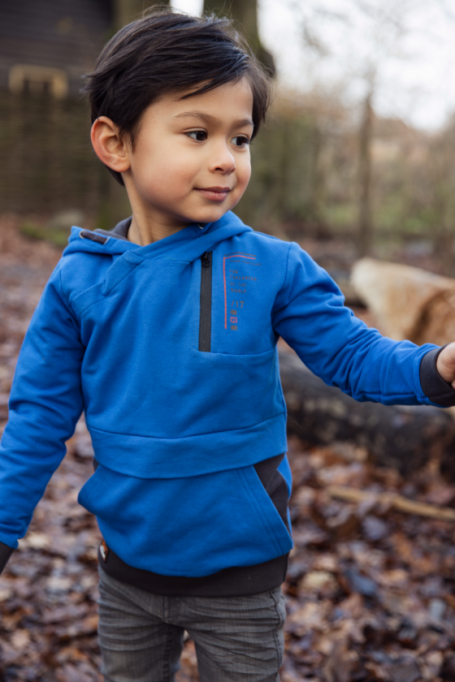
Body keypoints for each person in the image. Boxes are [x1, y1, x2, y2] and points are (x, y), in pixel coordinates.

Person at [1, 7, 455, 682]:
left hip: (239, 574)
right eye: (196, 132)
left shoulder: (274, 265)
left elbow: (350, 356)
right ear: (115, 143)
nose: (224, 159)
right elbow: (37, 418)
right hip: (126, 568)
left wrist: (437, 364)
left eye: (239, 139)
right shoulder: (80, 281)